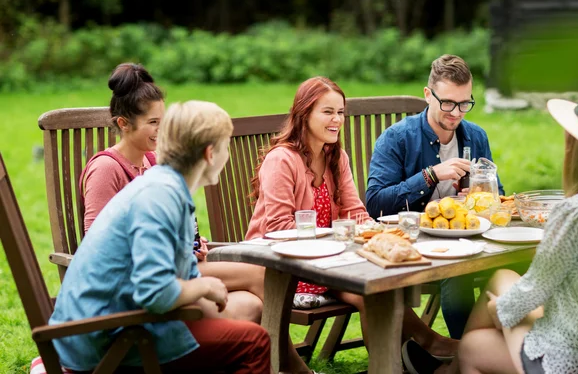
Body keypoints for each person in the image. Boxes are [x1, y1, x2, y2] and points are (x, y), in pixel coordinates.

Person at [247, 76, 457, 374]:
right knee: (371, 289)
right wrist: (338, 242)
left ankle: (396, 364)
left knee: (375, 291)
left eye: (341, 112)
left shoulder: (336, 157)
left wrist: (383, 236)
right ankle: (430, 344)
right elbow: (280, 229)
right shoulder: (282, 160)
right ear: (304, 114)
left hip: (331, 261)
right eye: (327, 112)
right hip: (288, 267)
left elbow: (356, 213)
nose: (337, 120)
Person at [49, 101, 271, 373]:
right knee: (253, 343)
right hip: (104, 338)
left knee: (238, 330)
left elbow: (181, 274)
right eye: (227, 146)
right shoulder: (160, 197)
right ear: (210, 153)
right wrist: (205, 286)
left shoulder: (167, 187)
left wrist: (205, 292)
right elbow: (154, 292)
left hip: (116, 324)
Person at [403, 82, 578, 374]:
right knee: (503, 276)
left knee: (473, 345)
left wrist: (501, 309)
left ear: (577, 146)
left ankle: (447, 369)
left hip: (573, 357)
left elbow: (536, 290)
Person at [80, 62, 264, 323]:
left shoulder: (154, 161)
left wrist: (190, 244)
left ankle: (275, 359)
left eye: (164, 122)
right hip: (146, 279)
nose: (161, 130)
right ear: (123, 123)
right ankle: (278, 360)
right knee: (254, 289)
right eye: (153, 122)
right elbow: (97, 245)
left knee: (259, 278)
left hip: (176, 268)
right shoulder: (106, 168)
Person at [366, 54, 504, 339]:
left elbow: (498, 195)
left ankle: (490, 350)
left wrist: (480, 195)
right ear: (428, 95)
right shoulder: (397, 138)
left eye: (465, 103)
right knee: (460, 270)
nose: (457, 112)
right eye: (448, 103)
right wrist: (430, 175)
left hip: (466, 237)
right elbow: (376, 203)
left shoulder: (476, 137)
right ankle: (465, 352)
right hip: (415, 243)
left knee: (512, 261)